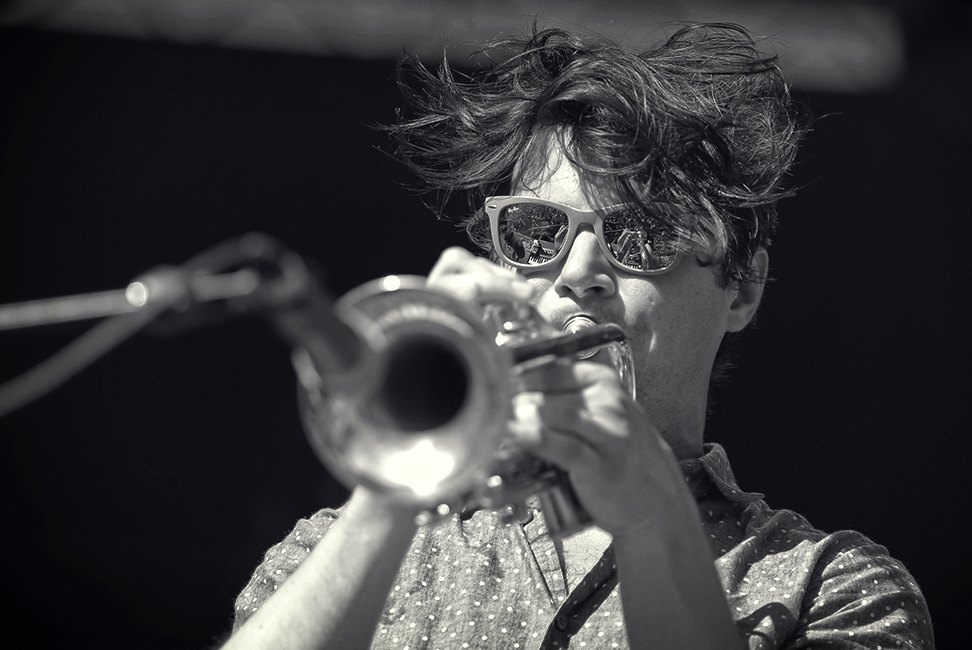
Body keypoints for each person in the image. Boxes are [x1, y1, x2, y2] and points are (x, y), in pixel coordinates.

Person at [223, 23, 934, 650]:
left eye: (645, 233)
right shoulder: (324, 549)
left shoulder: (833, 590)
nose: (580, 272)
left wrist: (653, 514)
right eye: (537, 231)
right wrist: (400, 476)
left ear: (741, 288)